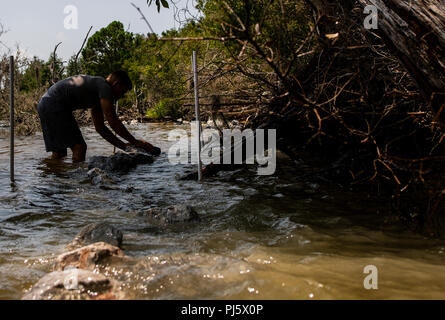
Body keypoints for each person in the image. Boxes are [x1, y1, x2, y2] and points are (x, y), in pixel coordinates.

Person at [37, 71, 160, 162]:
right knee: (79, 147)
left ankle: (52, 183)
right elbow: (113, 121)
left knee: (59, 153)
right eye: (122, 92)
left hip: (45, 103)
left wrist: (125, 147)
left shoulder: (96, 92)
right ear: (116, 84)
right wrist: (135, 142)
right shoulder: (104, 87)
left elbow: (101, 128)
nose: (121, 97)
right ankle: (76, 183)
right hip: (54, 105)